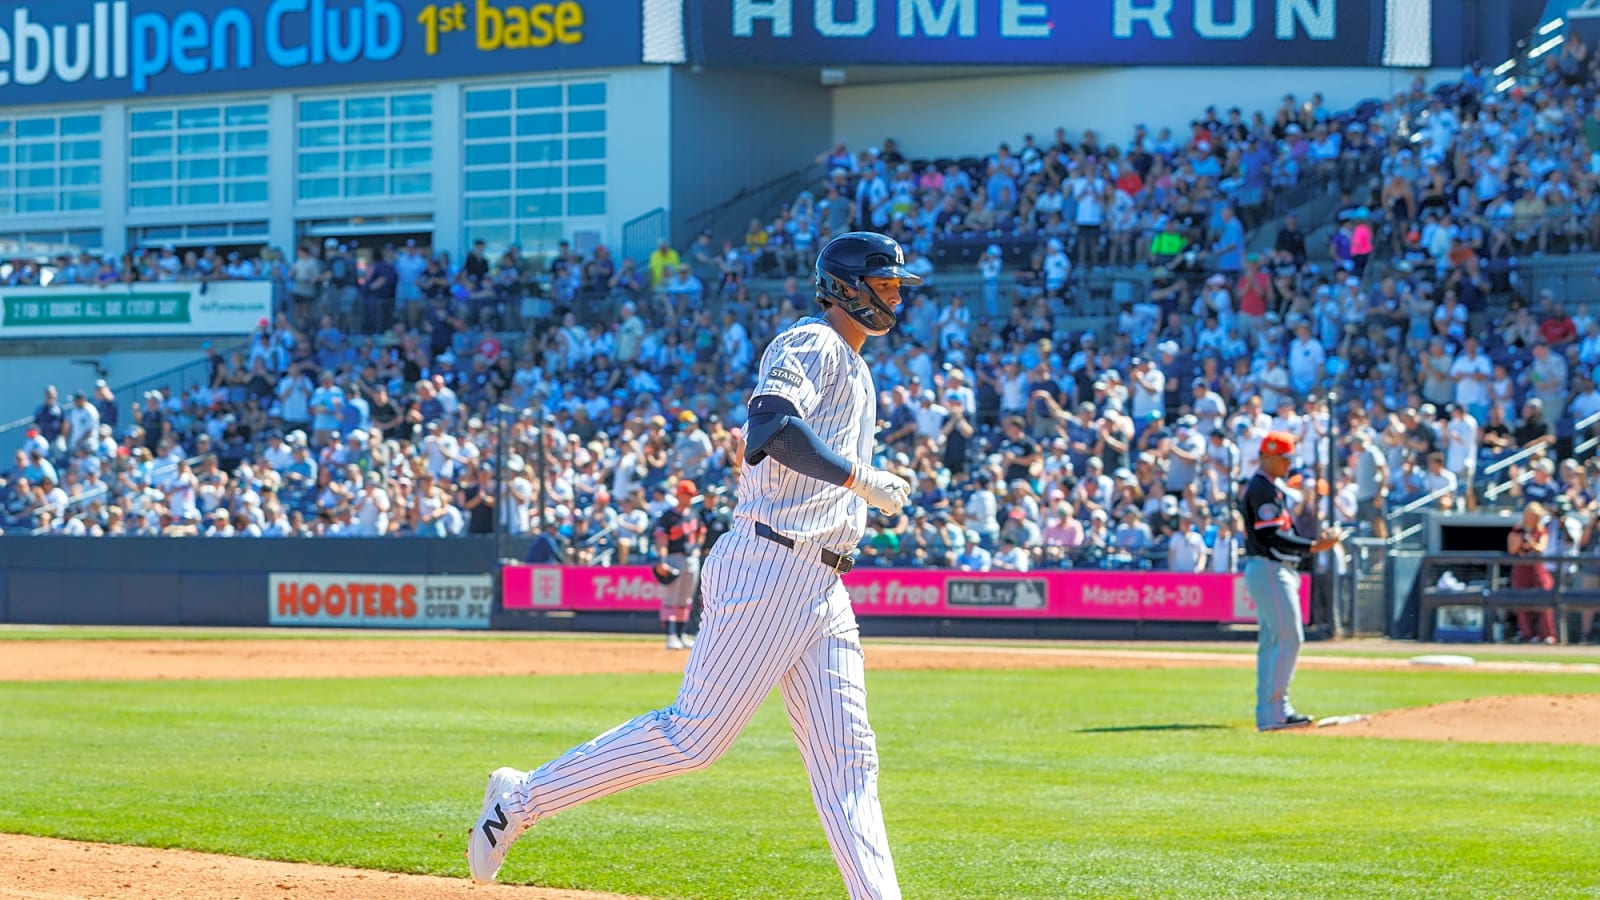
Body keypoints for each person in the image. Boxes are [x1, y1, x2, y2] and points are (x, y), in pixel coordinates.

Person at [469, 231, 918, 899]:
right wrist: (860, 479)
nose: (894, 295)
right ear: (846, 286)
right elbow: (770, 431)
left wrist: (859, 487)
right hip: (771, 563)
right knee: (694, 738)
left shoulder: (858, 368)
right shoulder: (811, 342)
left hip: (823, 580)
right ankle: (522, 798)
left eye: (896, 286)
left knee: (850, 762)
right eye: (884, 283)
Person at [1240, 430, 1345, 732]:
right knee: (1289, 639)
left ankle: (1269, 712)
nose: (1288, 464)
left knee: (1274, 642)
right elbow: (1270, 535)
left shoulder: (1269, 486)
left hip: (1272, 568)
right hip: (1270, 568)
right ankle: (1276, 711)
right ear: (1267, 457)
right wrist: (1312, 547)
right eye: (1283, 458)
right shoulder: (1262, 488)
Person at [653, 479, 703, 649]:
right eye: (687, 494)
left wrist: (697, 549)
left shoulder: (694, 513)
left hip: (690, 559)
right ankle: (671, 636)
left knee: (685, 599)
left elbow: (700, 532)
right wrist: (662, 560)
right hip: (673, 557)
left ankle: (681, 635)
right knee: (670, 598)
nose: (690, 497)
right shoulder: (668, 516)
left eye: (691, 495)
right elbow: (661, 539)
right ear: (679, 494)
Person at [1508, 502, 1557, 644]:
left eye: (1534, 515)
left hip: (1538, 568)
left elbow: (1541, 547)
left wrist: (1532, 543)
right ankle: (1528, 635)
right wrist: (1522, 540)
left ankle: (1547, 634)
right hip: (1521, 569)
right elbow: (1512, 549)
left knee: (1544, 600)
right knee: (1522, 602)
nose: (1531, 518)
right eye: (1529, 515)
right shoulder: (1517, 530)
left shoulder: (1541, 530)